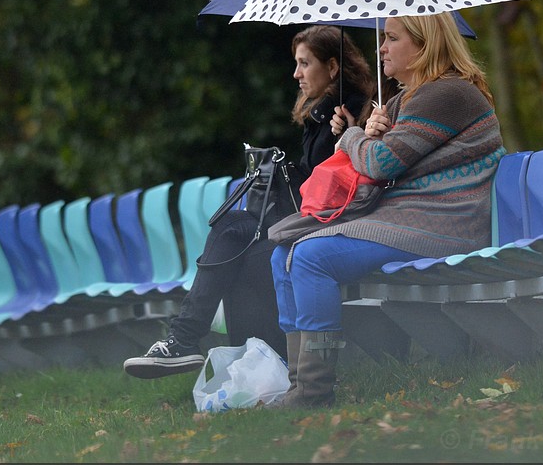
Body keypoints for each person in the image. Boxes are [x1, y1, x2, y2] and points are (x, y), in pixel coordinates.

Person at [270, 12, 506, 408]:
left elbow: (380, 164)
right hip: (405, 220)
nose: (380, 47)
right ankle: (299, 384)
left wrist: (352, 137)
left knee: (309, 258)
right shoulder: (410, 98)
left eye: (392, 37)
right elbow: (377, 159)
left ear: (425, 44)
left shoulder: (447, 93)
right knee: (283, 255)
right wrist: (371, 133)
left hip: (442, 225)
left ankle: (314, 390)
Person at [123, 25, 376, 379]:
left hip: (325, 229)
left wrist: (348, 134)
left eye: (305, 64)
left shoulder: (354, 113)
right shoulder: (323, 113)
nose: (296, 74)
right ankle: (239, 363)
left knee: (235, 246)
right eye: (296, 63)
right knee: (232, 234)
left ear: (333, 67)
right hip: (303, 224)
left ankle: (199, 348)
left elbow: (339, 186)